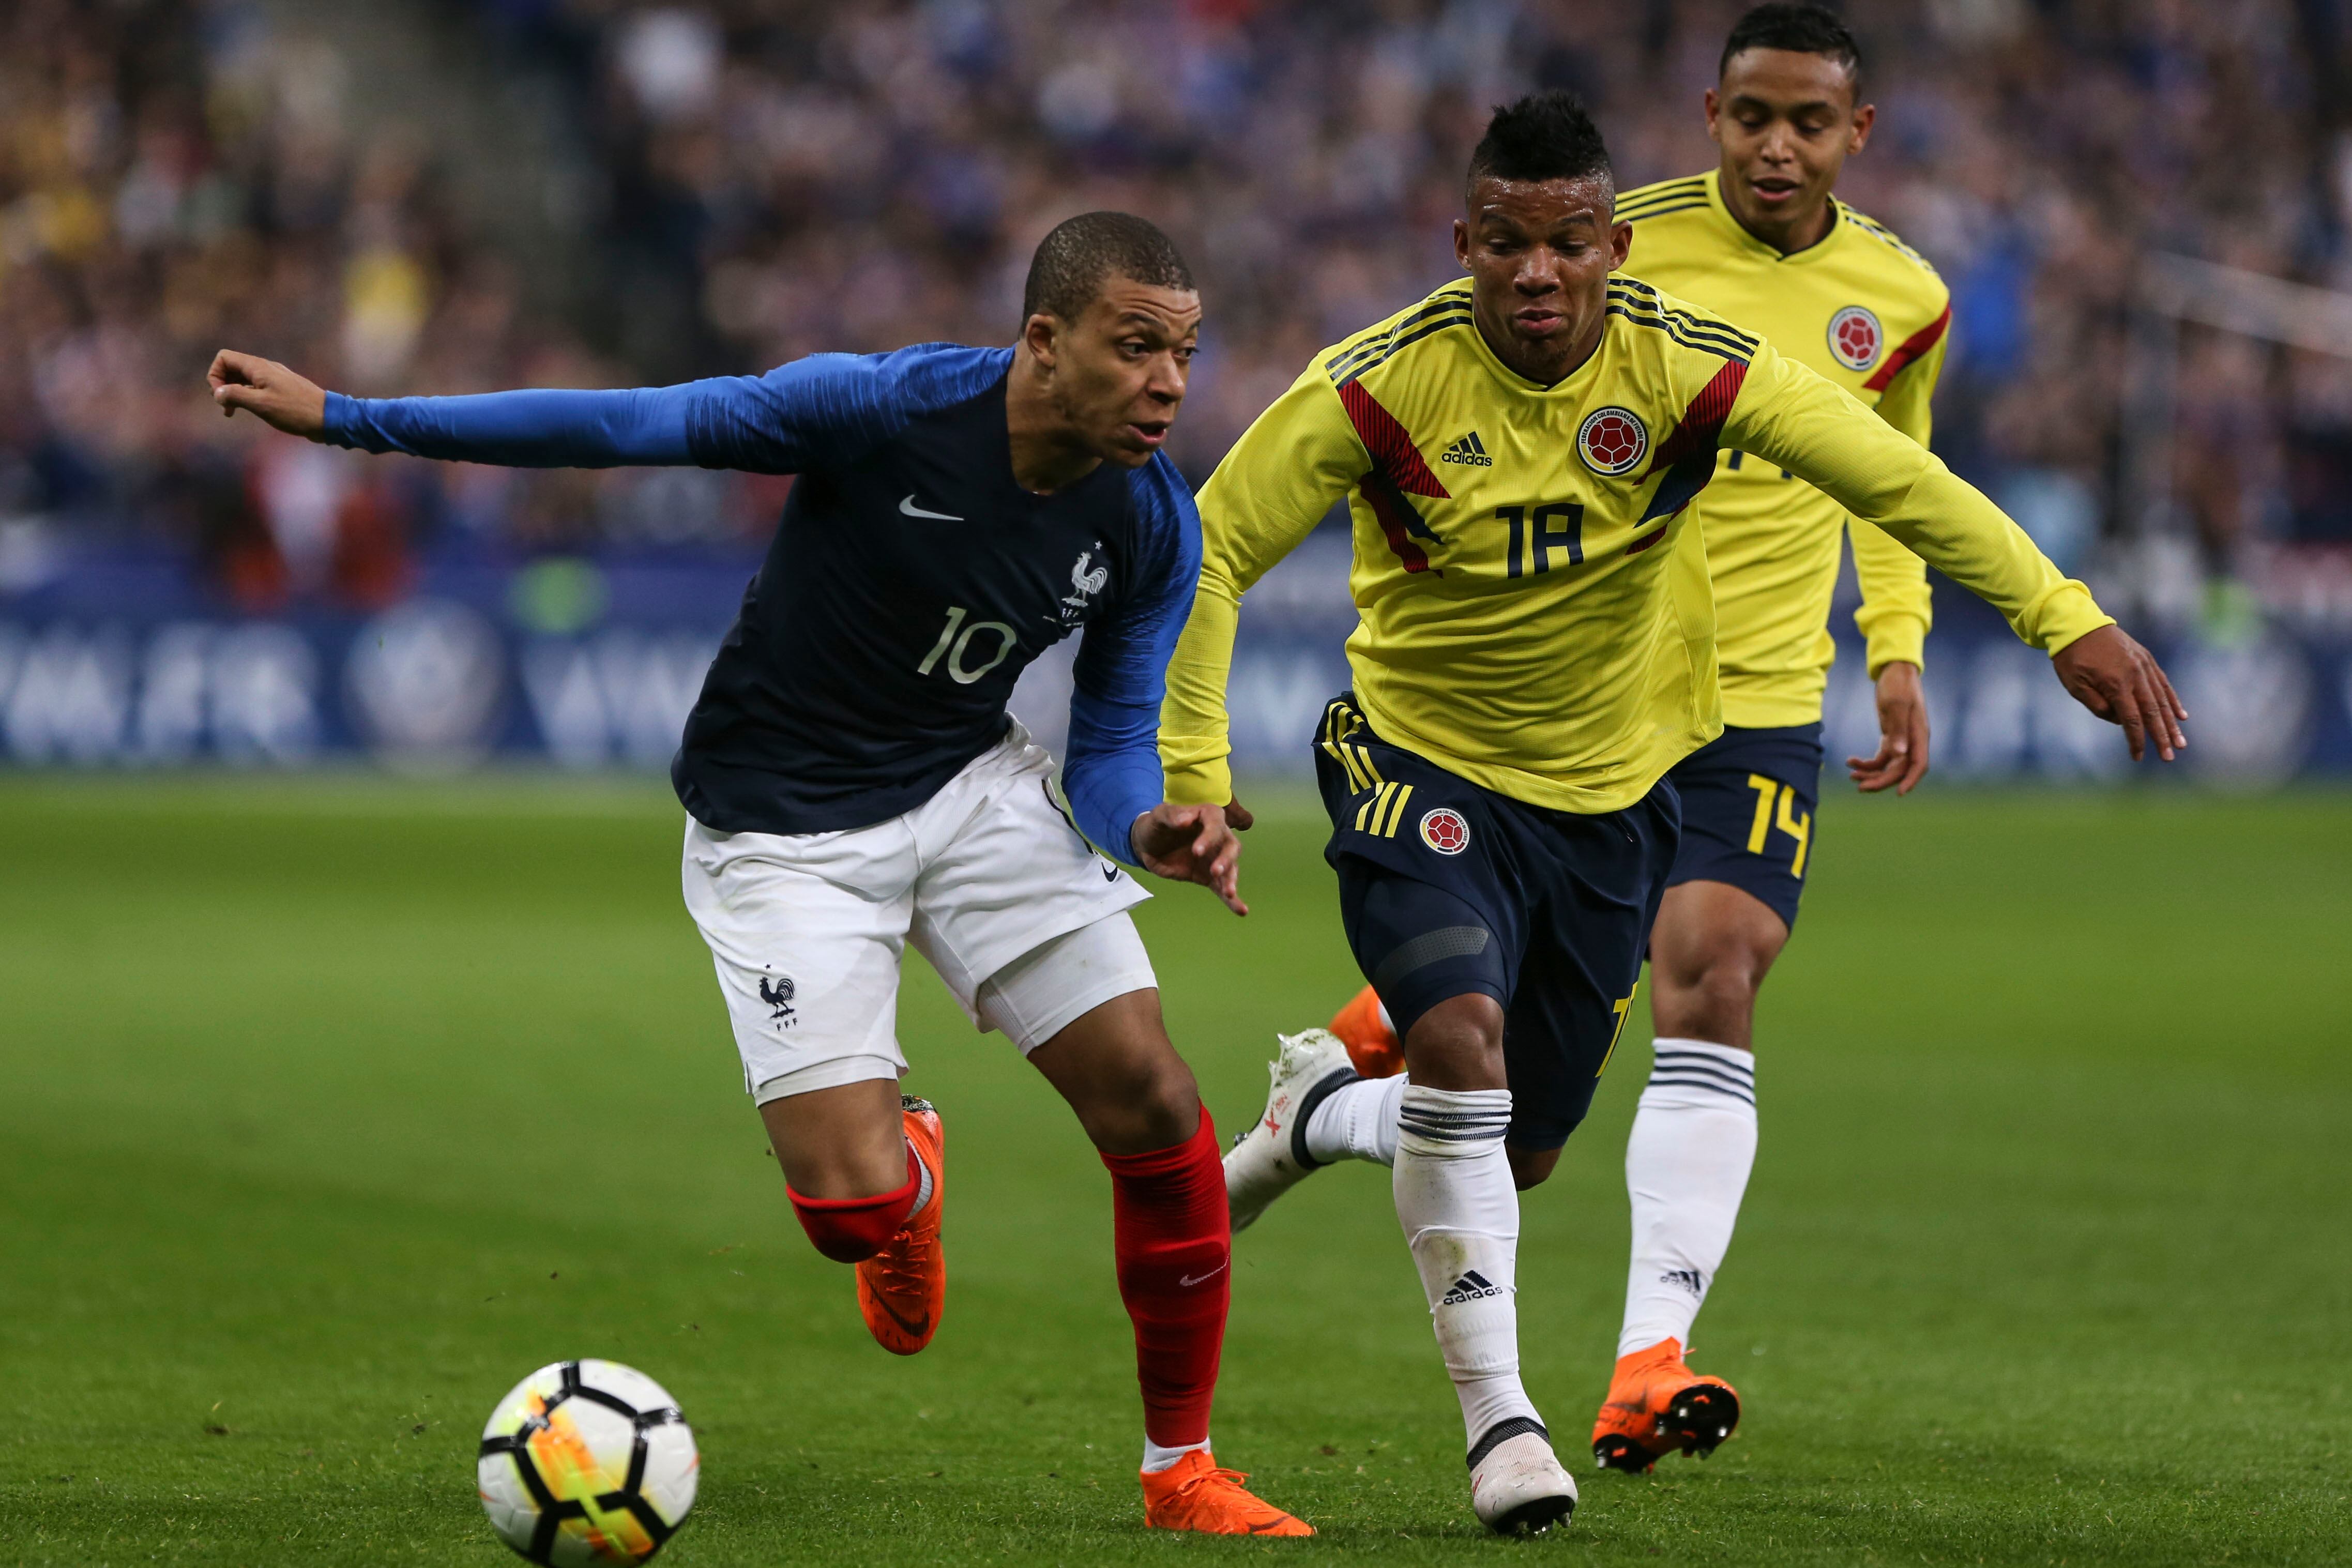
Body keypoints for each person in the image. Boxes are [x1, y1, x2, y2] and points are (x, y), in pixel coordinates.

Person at [206, 211, 1310, 1537]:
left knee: (1155, 1097)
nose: (1169, 383)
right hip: (781, 827)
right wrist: (352, 419)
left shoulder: (1151, 522)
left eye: (1184, 352)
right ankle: (906, 1178)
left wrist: (1147, 829)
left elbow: (1116, 736)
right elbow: (628, 425)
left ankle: (1181, 1469)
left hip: (968, 784)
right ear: (1043, 339)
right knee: (850, 1211)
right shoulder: (885, 408)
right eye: (1136, 348)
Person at [1179, 96, 2183, 1534]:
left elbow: (1897, 478)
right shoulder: (1374, 383)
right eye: (1505, 243)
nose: (1537, 273)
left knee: (1517, 1146)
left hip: (1611, 795)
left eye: (1568, 244)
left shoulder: (1691, 369)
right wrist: (1193, 762)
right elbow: (1213, 547)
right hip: (1416, 762)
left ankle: (1324, 1110)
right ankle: (1502, 1425)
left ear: (1613, 245)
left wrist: (2059, 616)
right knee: (1458, 1039)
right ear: (1461, 242)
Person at [1312, 3, 1966, 1477]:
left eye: (1809, 121)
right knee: (1510, 1108)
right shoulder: (1611, 245)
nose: (1778, 147)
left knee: (1715, 967)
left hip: (1761, 698)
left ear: (1856, 133)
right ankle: (1331, 1090)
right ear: (1710, 117)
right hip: (1592, 691)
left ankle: (1645, 1357)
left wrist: (1896, 640)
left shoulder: (1904, 297)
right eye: (1753, 117)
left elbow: (1892, 474)